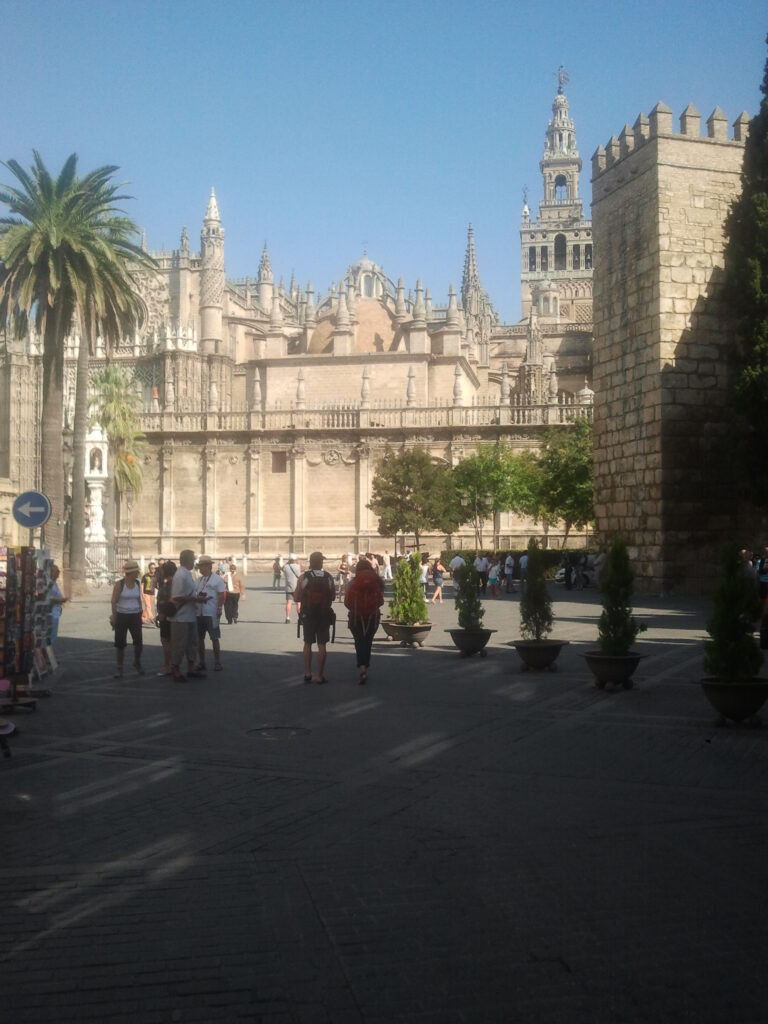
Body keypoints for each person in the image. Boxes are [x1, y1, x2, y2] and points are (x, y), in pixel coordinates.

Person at [294, 551, 336, 684]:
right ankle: (319, 675)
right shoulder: (328, 577)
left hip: (308, 614)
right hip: (324, 614)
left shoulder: (304, 577)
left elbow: (296, 597)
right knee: (322, 644)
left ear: (311, 563)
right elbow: (333, 596)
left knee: (307, 643)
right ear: (321, 562)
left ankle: (307, 673)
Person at [345, 558, 384, 684]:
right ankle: (365, 665)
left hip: (356, 617)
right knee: (368, 641)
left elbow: (347, 602)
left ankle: (361, 667)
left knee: (359, 641)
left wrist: (356, 607)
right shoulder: (377, 582)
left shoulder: (353, 582)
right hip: (373, 617)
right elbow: (381, 601)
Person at [170, 549, 206, 682]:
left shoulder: (187, 573)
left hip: (190, 615)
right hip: (180, 617)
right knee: (179, 644)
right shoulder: (181, 575)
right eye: (193, 559)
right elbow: (177, 597)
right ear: (187, 560)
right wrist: (196, 600)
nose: (194, 561)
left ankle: (191, 668)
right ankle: (176, 671)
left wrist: (196, 598)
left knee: (192, 643)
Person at [109, 559, 145, 678]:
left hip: (135, 615)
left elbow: (138, 598)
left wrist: (141, 610)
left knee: (138, 642)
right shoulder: (120, 584)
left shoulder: (137, 583)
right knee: (120, 643)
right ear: (131, 572)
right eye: (136, 571)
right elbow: (114, 600)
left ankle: (137, 661)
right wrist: (114, 616)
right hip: (122, 615)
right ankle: (120, 668)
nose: (138, 574)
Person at [195, 555, 227, 672]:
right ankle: (202, 662)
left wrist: (219, 608)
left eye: (201, 566)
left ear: (208, 566)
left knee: (214, 638)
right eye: (199, 566)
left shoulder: (217, 579)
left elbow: (222, 595)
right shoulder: (198, 580)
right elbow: (195, 593)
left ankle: (217, 662)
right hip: (199, 612)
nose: (200, 569)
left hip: (211, 612)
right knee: (199, 639)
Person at [155, 560, 177, 676]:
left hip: (166, 615)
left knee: (166, 641)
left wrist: (161, 613)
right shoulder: (174, 583)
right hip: (171, 615)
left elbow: (166, 601)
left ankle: (167, 666)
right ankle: (173, 665)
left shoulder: (167, 584)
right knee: (171, 641)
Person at [48, 564, 67, 646]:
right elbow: (48, 598)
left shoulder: (54, 583)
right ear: (52, 572)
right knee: (51, 636)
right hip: (52, 614)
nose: (59, 573)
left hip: (56, 612)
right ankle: (48, 655)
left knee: (53, 635)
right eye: (57, 571)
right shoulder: (49, 584)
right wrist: (61, 600)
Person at [283, 554, 302, 623]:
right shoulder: (297, 566)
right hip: (297, 587)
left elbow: (282, 568)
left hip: (288, 587)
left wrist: (288, 562)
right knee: (298, 603)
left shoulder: (286, 567)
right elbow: (300, 575)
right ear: (295, 559)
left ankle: (287, 618)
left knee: (288, 603)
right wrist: (298, 562)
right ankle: (300, 618)